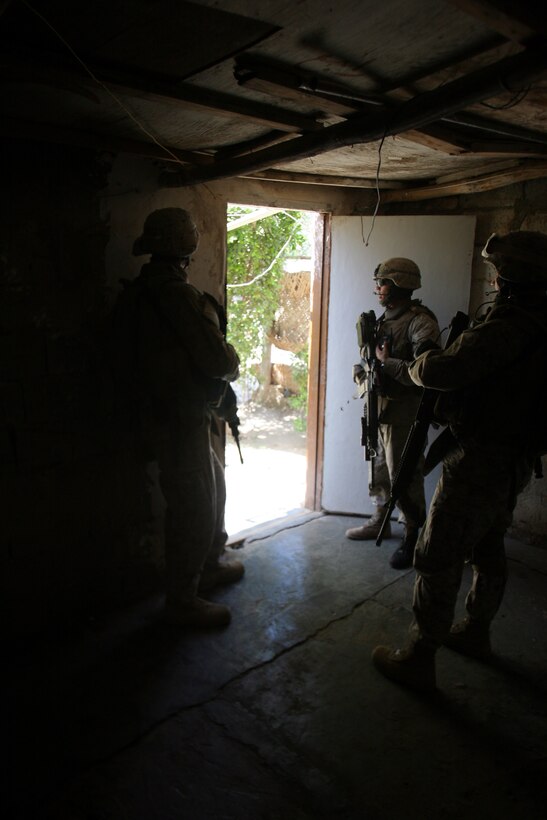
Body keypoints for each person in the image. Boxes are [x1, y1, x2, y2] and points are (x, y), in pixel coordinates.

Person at [372, 230, 547, 692]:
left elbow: (439, 371)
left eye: (497, 271)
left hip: (480, 455)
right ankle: (474, 630)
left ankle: (418, 655)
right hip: (514, 455)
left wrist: (418, 360)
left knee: (436, 554)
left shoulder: (510, 324)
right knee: (487, 546)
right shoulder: (538, 319)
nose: (492, 278)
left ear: (510, 276)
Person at [131, 207, 244, 628]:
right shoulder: (176, 295)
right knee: (194, 506)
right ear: (187, 247)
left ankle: (209, 564)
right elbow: (218, 360)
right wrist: (232, 363)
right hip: (177, 420)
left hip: (175, 414)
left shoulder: (142, 291)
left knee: (214, 485)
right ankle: (183, 599)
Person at [346, 258, 441, 569]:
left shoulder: (420, 323)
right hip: (378, 407)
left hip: (405, 413)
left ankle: (413, 534)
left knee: (405, 475)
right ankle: (380, 518)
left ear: (400, 285)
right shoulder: (379, 321)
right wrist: (364, 375)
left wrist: (387, 364)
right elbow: (366, 362)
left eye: (384, 282)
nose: (378, 288)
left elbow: (425, 372)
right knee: (379, 469)